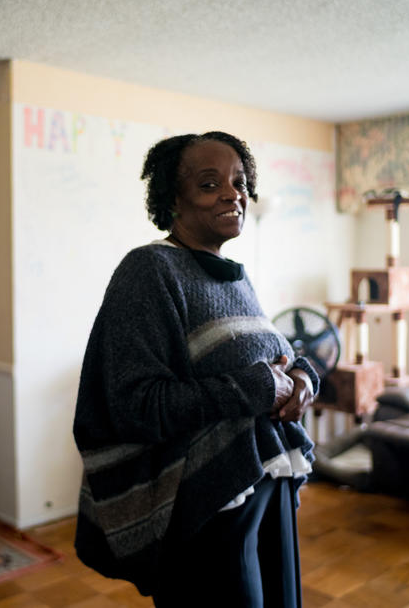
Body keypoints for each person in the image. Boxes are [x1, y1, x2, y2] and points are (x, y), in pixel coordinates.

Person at [73, 132, 319, 607]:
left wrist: (305, 379)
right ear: (173, 201)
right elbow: (135, 404)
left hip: (267, 490)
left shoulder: (235, 278)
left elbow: (279, 359)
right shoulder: (150, 271)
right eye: (210, 184)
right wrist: (256, 387)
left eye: (239, 181)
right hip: (206, 508)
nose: (233, 194)